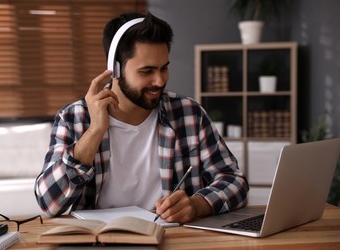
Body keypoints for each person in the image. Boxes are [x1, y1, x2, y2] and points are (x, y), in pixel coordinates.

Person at [34, 12, 249, 223]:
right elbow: (49, 204)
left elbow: (234, 181)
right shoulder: (74, 118)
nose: (159, 81)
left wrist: (197, 205)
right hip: (100, 243)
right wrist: (95, 130)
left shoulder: (189, 113)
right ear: (114, 69)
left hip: (175, 240)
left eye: (164, 68)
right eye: (147, 71)